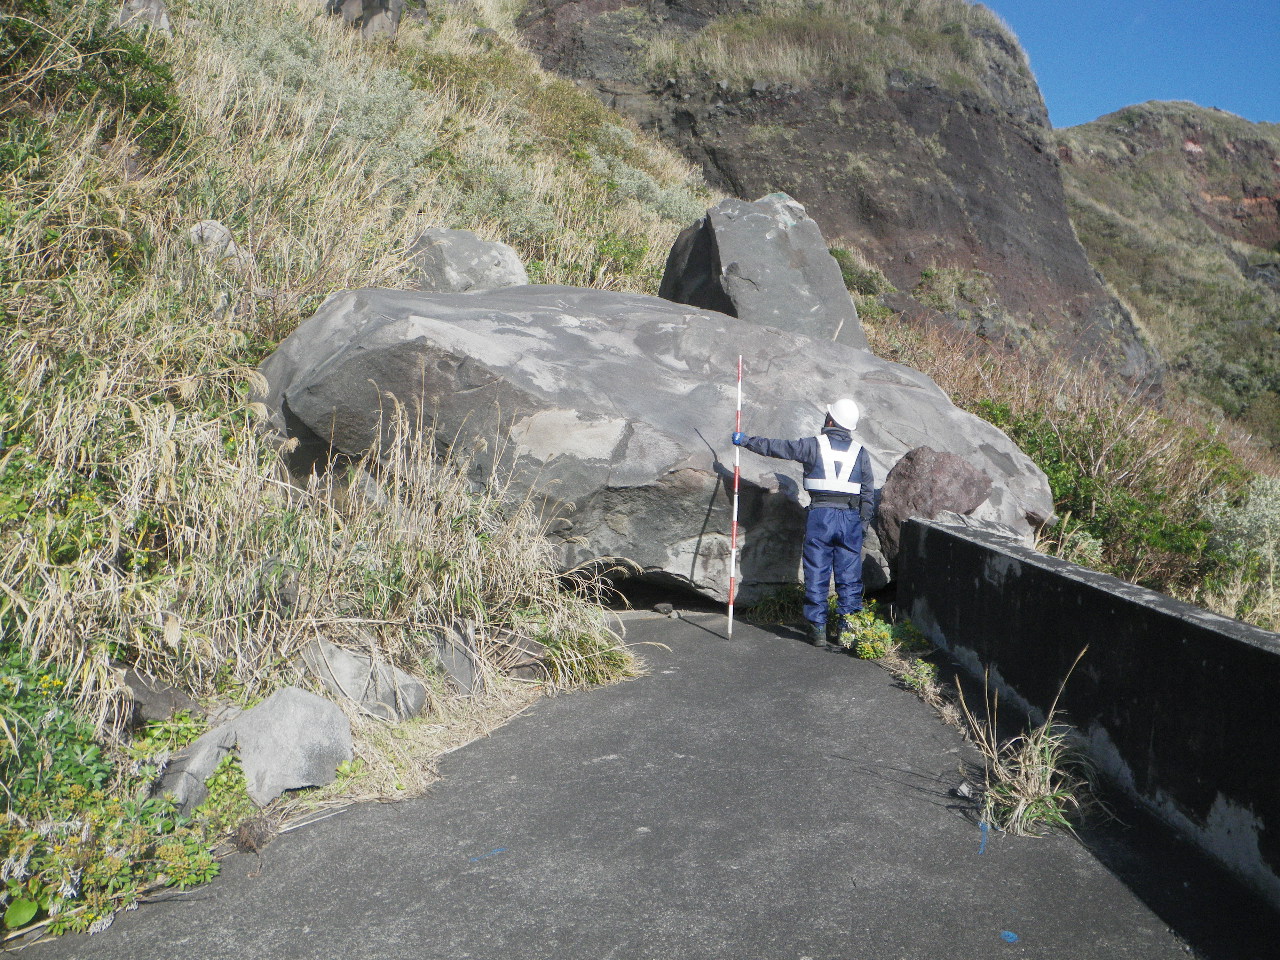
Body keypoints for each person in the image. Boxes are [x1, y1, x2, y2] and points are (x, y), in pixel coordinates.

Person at [732, 398, 874, 649]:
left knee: (817, 573)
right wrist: (861, 524)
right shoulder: (860, 452)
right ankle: (847, 630)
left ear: (830, 421)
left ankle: (817, 630)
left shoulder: (813, 445)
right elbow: (867, 492)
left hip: (821, 516)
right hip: (850, 518)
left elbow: (779, 448)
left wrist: (745, 441)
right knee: (849, 577)